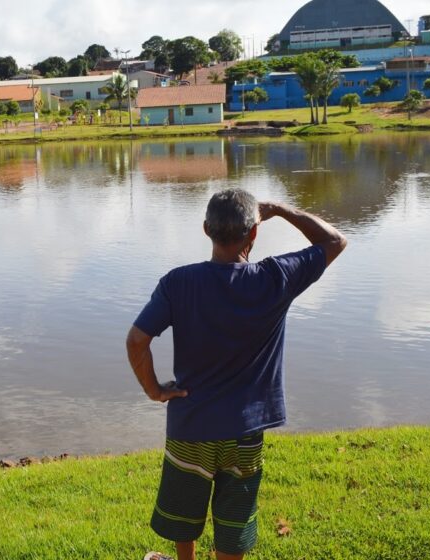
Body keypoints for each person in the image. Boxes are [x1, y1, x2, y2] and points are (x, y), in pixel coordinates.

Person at [127, 189, 347, 560]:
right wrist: (280, 210)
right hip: (246, 430)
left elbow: (137, 341)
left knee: (184, 512)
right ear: (254, 234)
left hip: (191, 425)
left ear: (205, 229)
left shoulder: (178, 283)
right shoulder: (276, 277)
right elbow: (335, 240)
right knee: (234, 520)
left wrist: (154, 390)